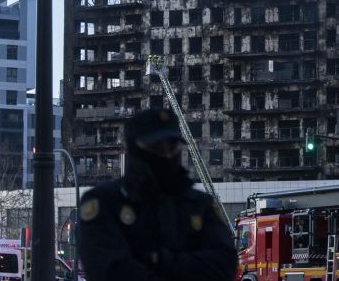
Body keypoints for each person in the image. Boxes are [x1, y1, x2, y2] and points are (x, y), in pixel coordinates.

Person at [78, 108, 237, 281]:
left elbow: (224, 265)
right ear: (134, 147)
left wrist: (156, 260)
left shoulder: (198, 204)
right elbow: (110, 270)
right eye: (156, 148)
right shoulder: (105, 203)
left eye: (172, 147)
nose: (167, 155)